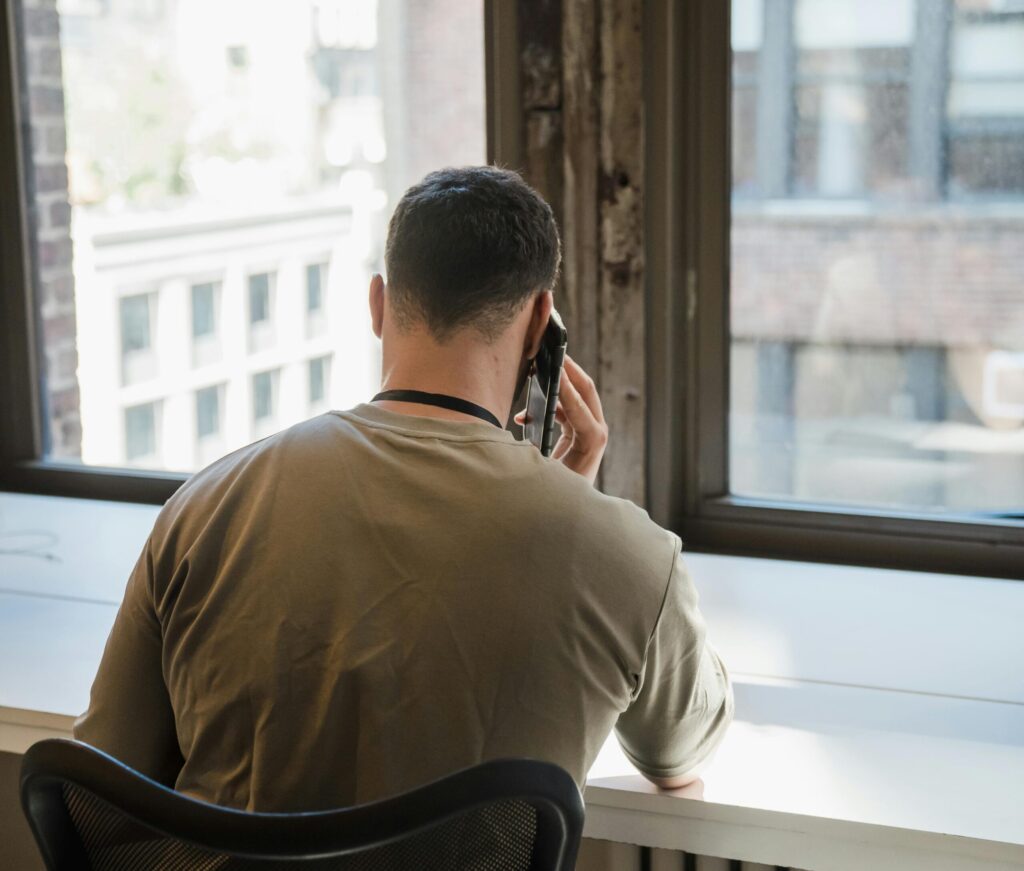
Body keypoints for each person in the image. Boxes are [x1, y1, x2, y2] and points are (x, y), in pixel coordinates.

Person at [74, 166, 733, 812]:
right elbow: (680, 753)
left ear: (378, 304)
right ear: (539, 326)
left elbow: (100, 779)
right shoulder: (628, 557)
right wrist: (572, 508)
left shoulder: (205, 507)